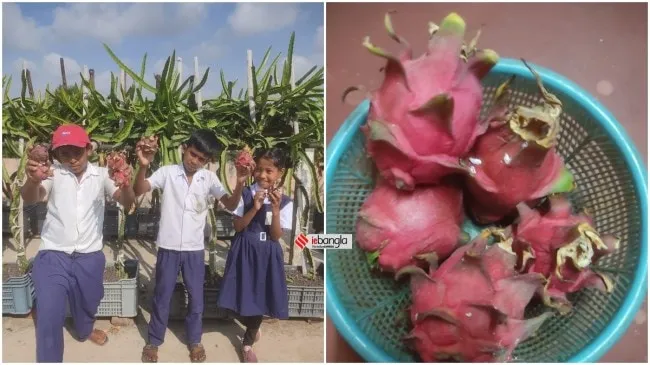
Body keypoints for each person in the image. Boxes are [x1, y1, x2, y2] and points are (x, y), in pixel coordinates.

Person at [20, 124, 136, 363]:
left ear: (88, 149)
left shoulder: (103, 175)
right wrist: (32, 181)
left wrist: (125, 185)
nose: (72, 159)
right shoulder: (52, 173)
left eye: (77, 152)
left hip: (89, 256)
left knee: (89, 301)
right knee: (50, 315)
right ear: (57, 155)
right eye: (64, 153)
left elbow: (126, 202)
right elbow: (32, 197)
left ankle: (84, 329)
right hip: (54, 254)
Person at [135, 129, 249, 363]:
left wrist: (239, 183)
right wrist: (144, 165)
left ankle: (195, 340)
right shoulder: (167, 173)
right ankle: (154, 340)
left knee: (196, 298)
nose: (195, 161)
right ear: (184, 148)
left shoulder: (208, 179)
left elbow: (229, 203)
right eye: (193, 154)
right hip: (168, 247)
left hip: (194, 250)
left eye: (202, 159)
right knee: (162, 295)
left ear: (208, 161)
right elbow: (139, 189)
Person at [217, 147, 294, 363]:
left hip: (267, 254)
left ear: (280, 172)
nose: (263, 175)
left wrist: (275, 210)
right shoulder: (245, 194)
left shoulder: (285, 201)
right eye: (259, 169)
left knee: (261, 297)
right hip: (244, 250)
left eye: (269, 171)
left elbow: (276, 235)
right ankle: (253, 325)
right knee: (239, 294)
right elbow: (238, 226)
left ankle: (247, 342)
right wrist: (255, 208)